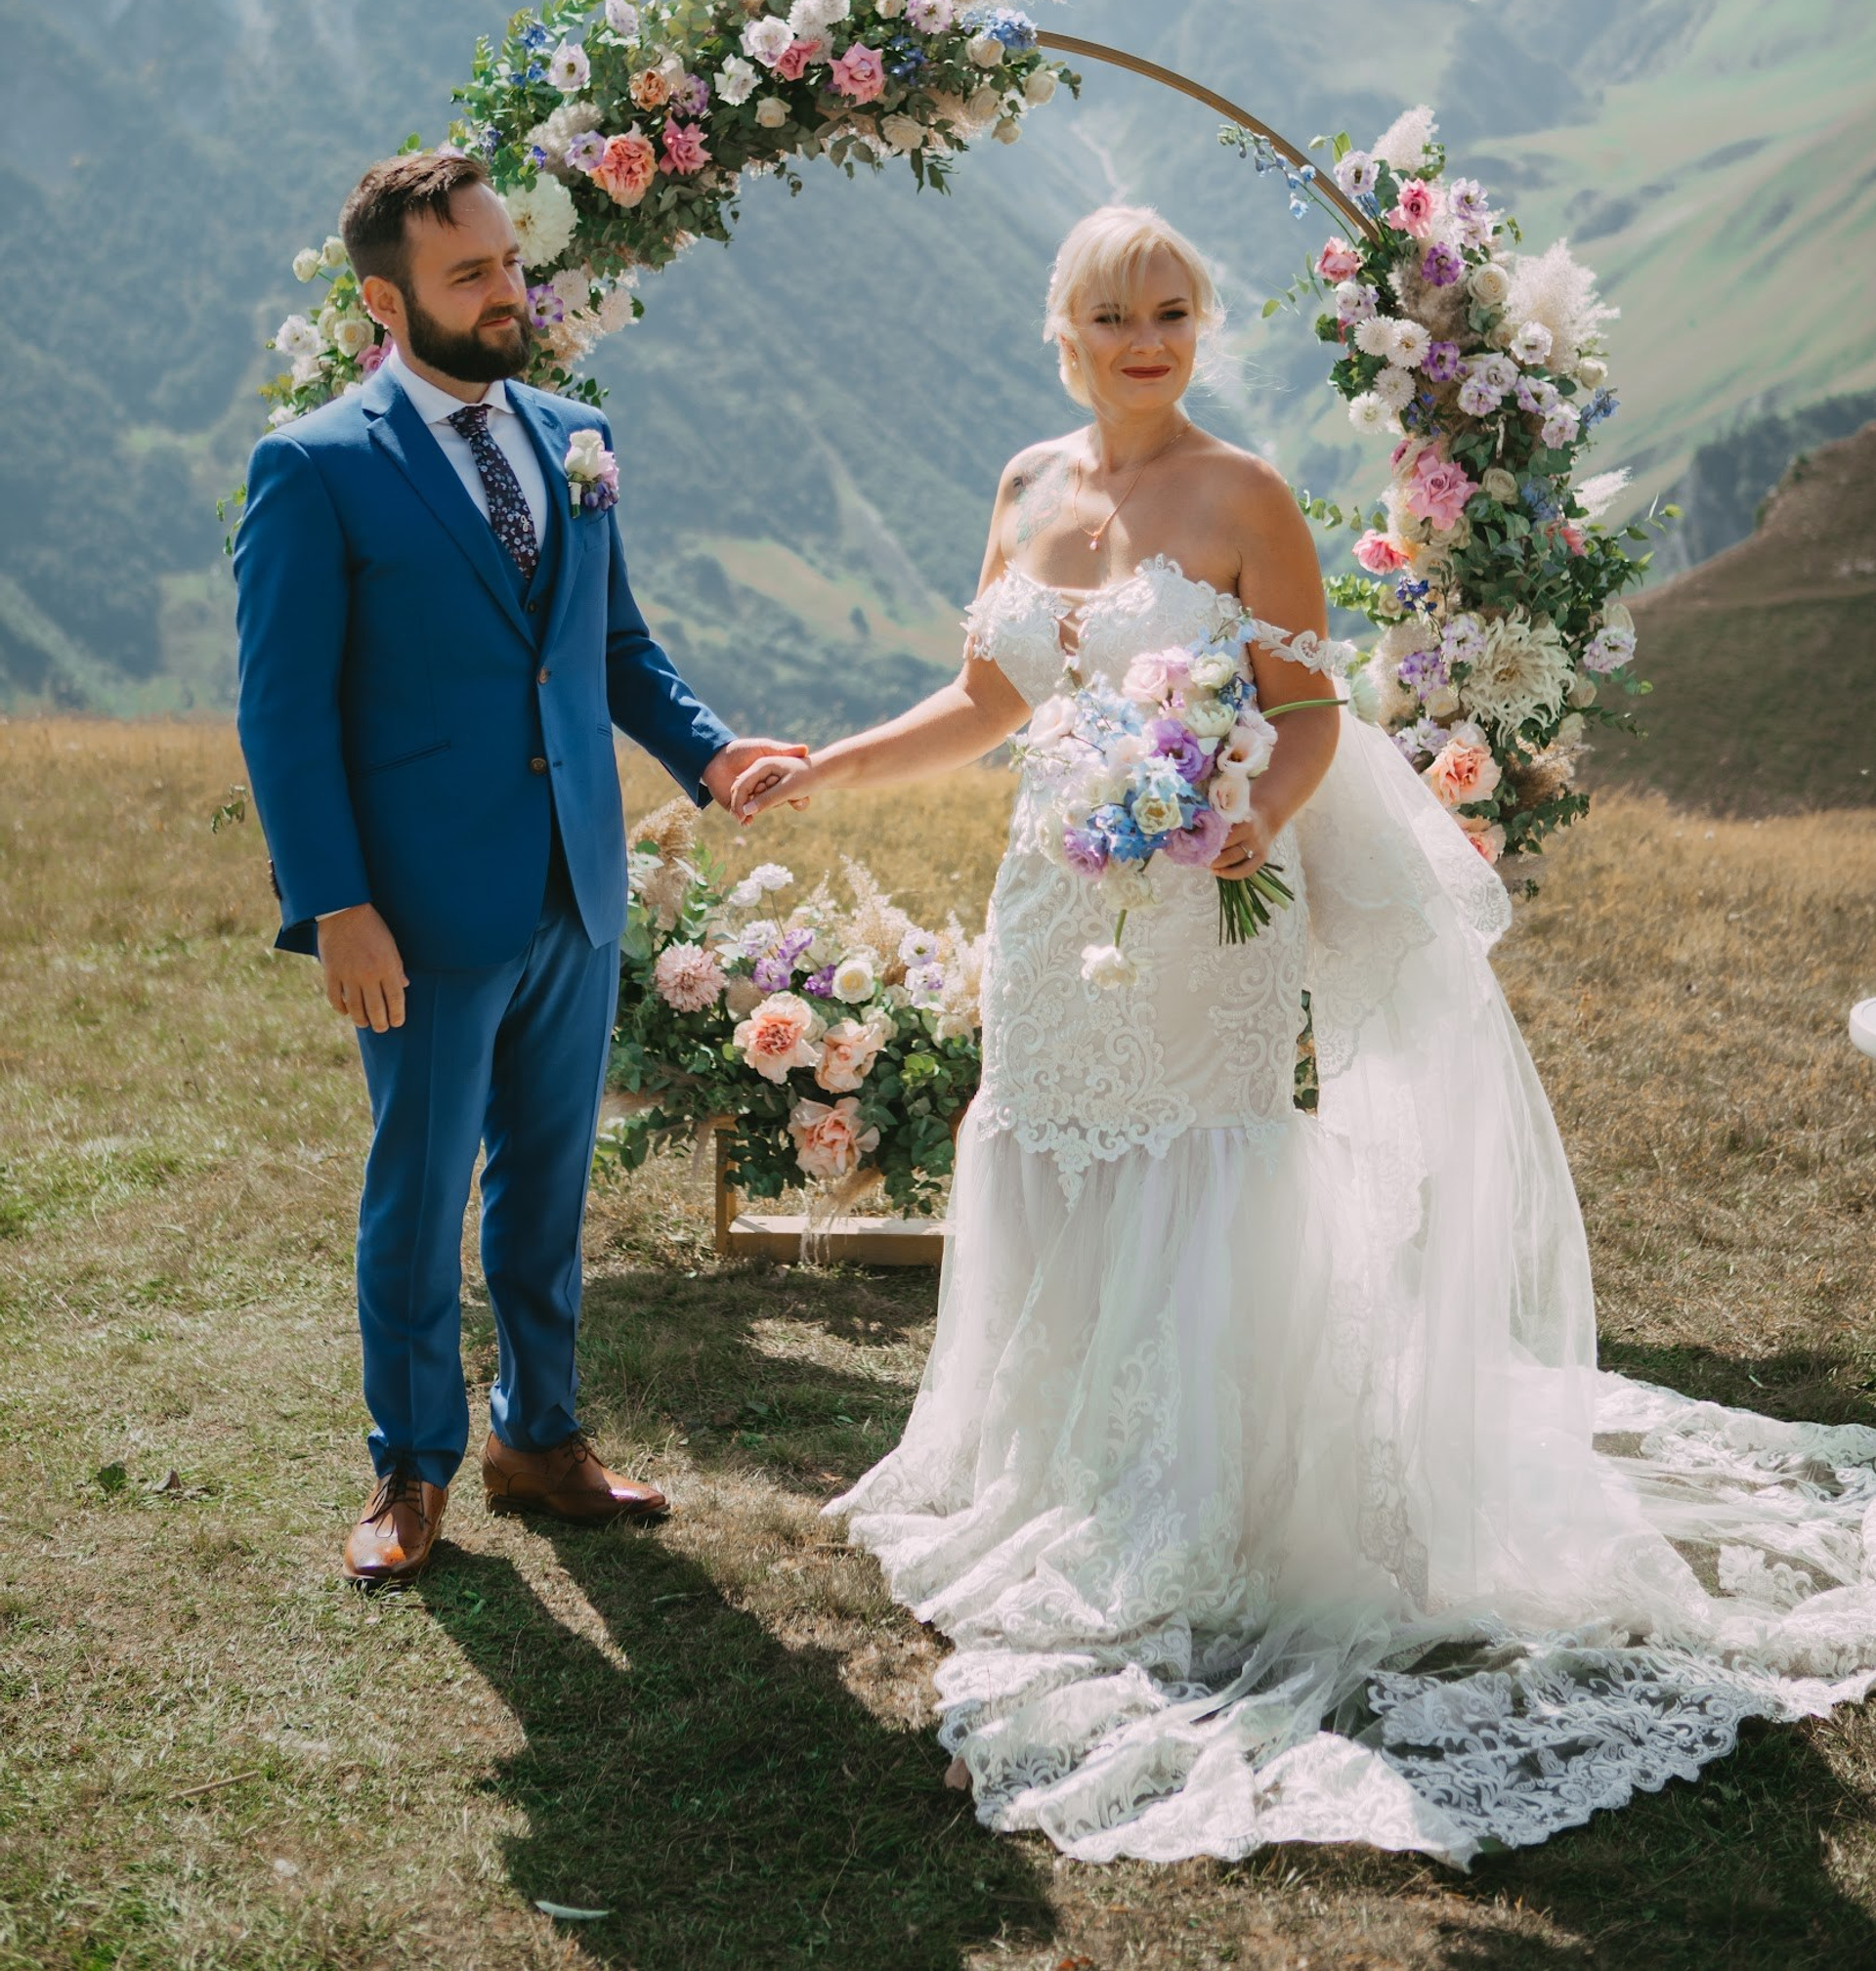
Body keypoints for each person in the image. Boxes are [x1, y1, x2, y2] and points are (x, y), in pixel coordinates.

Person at [733, 203, 1876, 1866]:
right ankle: (1057, 1475)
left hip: (1209, 908)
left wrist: (1253, 819)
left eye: (1174, 308)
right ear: (1061, 327)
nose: (1146, 336)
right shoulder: (1024, 486)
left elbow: (1314, 713)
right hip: (1053, 919)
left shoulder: (1247, 497)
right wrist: (830, 764)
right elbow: (993, 705)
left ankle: (1208, 1509)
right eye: (1115, 312)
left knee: (1204, 1170)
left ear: (1201, 326)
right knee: (1046, 1149)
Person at [234, 150, 801, 1587]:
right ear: (386, 300)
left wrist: (714, 755)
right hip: (418, 906)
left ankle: (538, 1442)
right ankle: (410, 1468)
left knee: (546, 1185)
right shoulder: (315, 465)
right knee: (420, 1191)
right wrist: (337, 905)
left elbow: (612, 643)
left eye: (508, 263)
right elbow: (282, 712)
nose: (507, 294)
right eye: (470, 273)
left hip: (574, 879)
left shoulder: (574, 432)